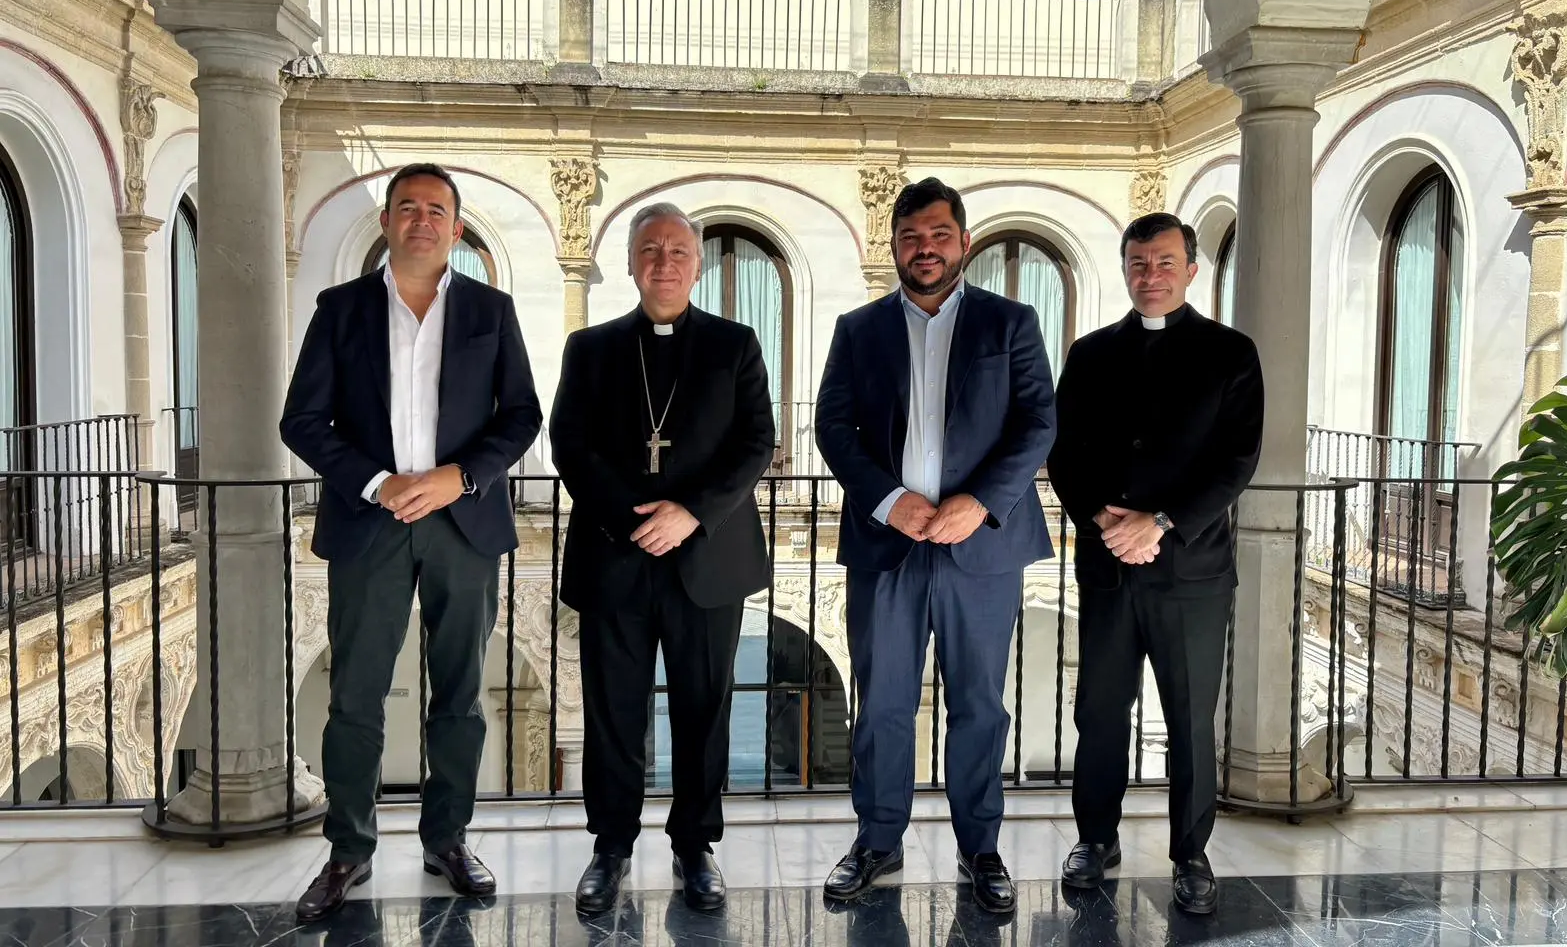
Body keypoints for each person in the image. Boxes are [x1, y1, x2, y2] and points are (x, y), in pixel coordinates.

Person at [280, 163, 542, 922]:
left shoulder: (492, 310)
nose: (421, 219)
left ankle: (448, 839)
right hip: (371, 525)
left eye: (436, 209)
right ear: (388, 222)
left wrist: (461, 477)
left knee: (460, 693)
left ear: (456, 229)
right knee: (356, 695)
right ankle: (348, 850)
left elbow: (521, 416)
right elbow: (301, 420)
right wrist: (378, 483)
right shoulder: (341, 309)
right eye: (407, 207)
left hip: (464, 525)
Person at [813, 177, 1057, 915]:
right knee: (883, 701)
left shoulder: (1010, 323)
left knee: (980, 704)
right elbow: (834, 428)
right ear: (894, 245)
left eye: (939, 235)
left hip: (980, 547)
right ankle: (877, 840)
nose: (926, 248)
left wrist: (978, 504)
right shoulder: (859, 329)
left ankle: (980, 848)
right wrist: (891, 502)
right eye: (912, 237)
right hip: (888, 545)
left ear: (964, 242)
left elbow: (1037, 423)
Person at [550, 202, 776, 915]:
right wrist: (629, 519)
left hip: (706, 559)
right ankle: (611, 846)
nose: (664, 263)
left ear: (698, 263)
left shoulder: (736, 345)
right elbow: (569, 445)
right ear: (629, 262)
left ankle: (694, 847)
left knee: (704, 708)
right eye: (650, 250)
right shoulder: (590, 349)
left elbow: (756, 444)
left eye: (678, 251)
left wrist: (690, 515)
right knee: (614, 711)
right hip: (615, 557)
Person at [1048, 211, 1263, 915]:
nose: (1152, 276)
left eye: (1166, 262)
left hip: (1192, 573)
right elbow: (1064, 454)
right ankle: (1095, 838)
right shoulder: (1090, 354)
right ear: (1125, 269)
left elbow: (1236, 461)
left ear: (1193, 270)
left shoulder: (1232, 353)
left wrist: (1161, 524)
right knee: (1100, 712)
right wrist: (1104, 523)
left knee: (1190, 720)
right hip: (1110, 567)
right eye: (1140, 263)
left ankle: (1190, 853)